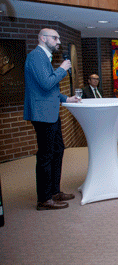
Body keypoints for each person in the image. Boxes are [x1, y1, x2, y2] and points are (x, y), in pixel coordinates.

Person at [24, 28, 80, 210]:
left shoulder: (44, 57)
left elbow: (50, 89)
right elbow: (47, 83)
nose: (58, 41)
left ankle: (54, 191)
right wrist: (62, 69)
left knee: (58, 150)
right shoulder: (36, 56)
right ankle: (44, 199)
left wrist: (66, 99)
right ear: (42, 38)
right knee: (46, 156)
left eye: (59, 38)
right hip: (42, 114)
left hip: (51, 112)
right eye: (55, 38)